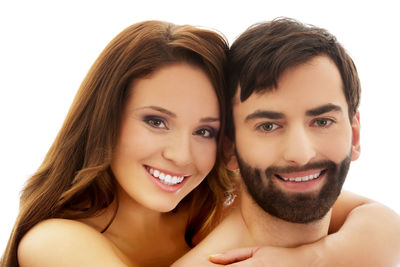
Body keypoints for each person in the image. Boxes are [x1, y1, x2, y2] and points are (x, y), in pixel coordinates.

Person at [1, 19, 399, 267]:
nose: (180, 155)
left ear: (227, 146)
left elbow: (381, 221)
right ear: (106, 119)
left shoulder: (220, 197)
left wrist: (310, 258)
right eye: (156, 121)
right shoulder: (53, 242)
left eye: (205, 131)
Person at [174, 18, 400, 266]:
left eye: (323, 121)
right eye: (268, 126)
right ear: (230, 148)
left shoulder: (361, 241)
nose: (301, 154)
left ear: (355, 135)